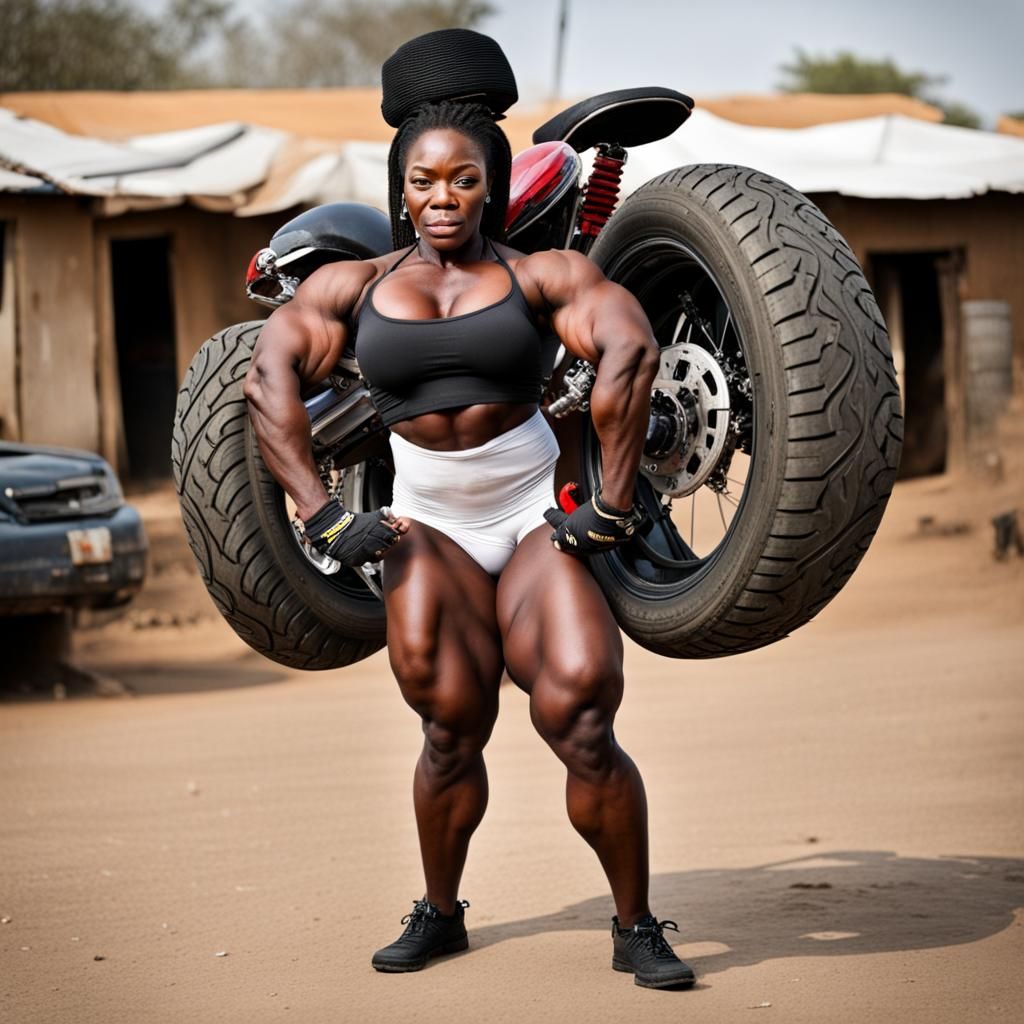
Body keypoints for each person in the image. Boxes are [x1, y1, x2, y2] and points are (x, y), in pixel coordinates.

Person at [243, 97, 696, 990]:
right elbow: (267, 380)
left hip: (532, 514)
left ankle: (637, 927)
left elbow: (629, 345)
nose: (443, 196)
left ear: (490, 188)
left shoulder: (541, 275)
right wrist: (321, 515)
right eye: (424, 181)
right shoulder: (356, 287)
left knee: (583, 709)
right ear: (402, 192)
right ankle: (441, 914)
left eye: (462, 178)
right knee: (449, 725)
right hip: (430, 522)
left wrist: (610, 504)